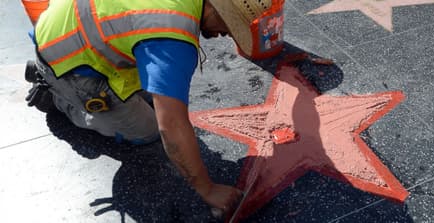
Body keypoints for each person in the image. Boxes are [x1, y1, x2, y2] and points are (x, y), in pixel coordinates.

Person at [24, 0, 277, 217]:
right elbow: (172, 128)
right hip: (66, 61)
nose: (227, 35)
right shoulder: (172, 34)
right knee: (149, 131)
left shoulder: (170, 17)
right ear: (214, 9)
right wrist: (206, 189)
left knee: (156, 96)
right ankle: (56, 95)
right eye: (230, 26)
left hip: (72, 30)